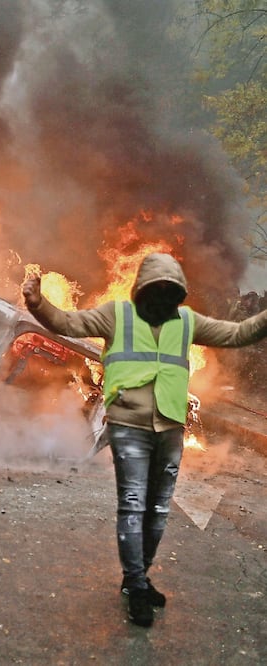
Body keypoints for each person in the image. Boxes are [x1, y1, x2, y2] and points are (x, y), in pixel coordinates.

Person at [22, 252, 267, 628]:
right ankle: (136, 587)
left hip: (170, 427)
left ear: (178, 293)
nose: (164, 297)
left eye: (171, 291)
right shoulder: (116, 315)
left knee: (159, 510)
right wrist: (37, 303)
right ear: (142, 289)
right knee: (134, 505)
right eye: (158, 289)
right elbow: (67, 323)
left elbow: (236, 334)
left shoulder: (185, 321)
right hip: (128, 426)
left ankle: (137, 575)